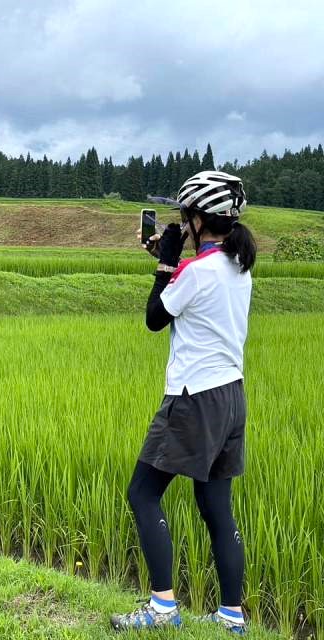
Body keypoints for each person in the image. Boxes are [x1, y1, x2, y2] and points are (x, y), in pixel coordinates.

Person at [111, 171, 257, 635]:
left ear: (197, 218)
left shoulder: (196, 270)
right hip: (231, 397)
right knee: (217, 507)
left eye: (182, 215)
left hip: (193, 399)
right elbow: (196, 288)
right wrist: (171, 257)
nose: (179, 222)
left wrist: (163, 264)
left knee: (142, 492)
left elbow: (156, 317)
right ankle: (232, 617)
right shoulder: (239, 264)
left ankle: (162, 609)